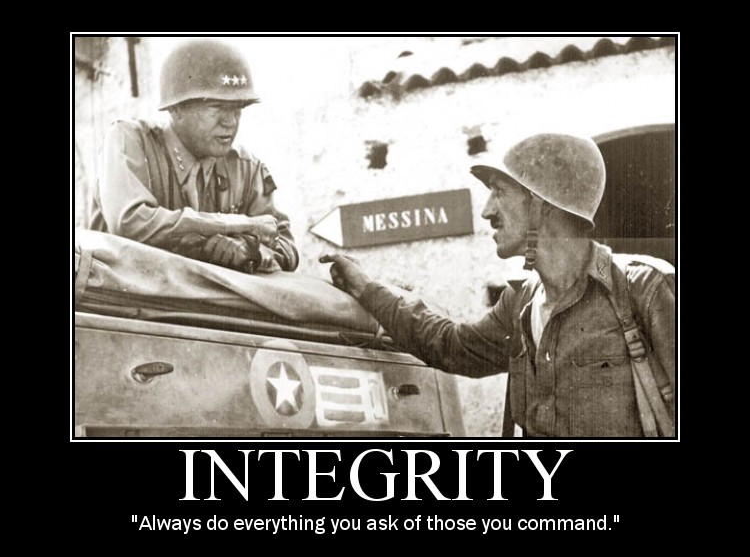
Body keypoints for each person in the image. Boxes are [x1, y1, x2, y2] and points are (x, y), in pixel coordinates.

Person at [321, 133, 675, 438]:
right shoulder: (520, 302)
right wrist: (367, 290)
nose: (487, 211)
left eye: (500, 192)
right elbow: (452, 345)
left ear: (541, 205)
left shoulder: (641, 288)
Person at [89, 38, 298, 274]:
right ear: (176, 109)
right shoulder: (130, 140)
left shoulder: (246, 167)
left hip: (205, 296)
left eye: (237, 108)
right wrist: (238, 225)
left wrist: (252, 251)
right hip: (124, 293)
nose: (230, 121)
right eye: (216, 107)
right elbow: (130, 223)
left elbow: (284, 242)